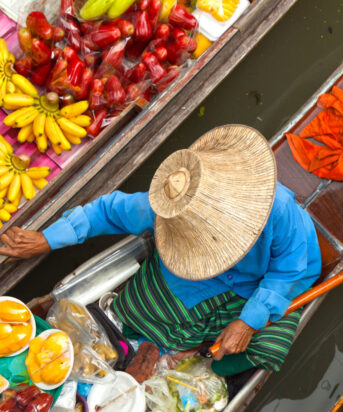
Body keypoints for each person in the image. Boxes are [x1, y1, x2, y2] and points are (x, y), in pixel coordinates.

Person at [0, 125, 321, 376]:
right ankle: (163, 345)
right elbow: (106, 211)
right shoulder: (169, 209)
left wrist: (249, 321)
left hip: (265, 280)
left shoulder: (276, 211)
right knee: (139, 310)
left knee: (262, 346)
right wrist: (47, 239)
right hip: (196, 269)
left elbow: (288, 271)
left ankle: (196, 347)